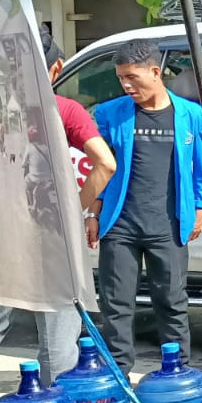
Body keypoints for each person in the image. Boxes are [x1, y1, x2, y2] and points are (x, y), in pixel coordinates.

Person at [91, 40, 202, 371]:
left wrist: (200, 208)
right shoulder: (110, 114)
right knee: (116, 304)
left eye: (132, 77)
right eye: (121, 79)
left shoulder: (190, 114)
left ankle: (177, 372)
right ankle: (117, 374)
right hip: (120, 224)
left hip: (168, 224)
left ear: (155, 72)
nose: (127, 85)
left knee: (172, 302)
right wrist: (94, 211)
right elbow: (102, 166)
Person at [39, 26, 117, 383]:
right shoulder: (64, 110)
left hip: (2, 229)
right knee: (60, 326)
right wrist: (76, 208)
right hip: (52, 229)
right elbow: (106, 163)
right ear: (56, 69)